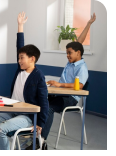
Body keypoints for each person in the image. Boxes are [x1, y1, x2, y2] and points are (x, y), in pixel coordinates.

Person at [0, 12, 48, 150]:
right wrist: (20, 26)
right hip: (12, 111)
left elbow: (44, 101)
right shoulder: (20, 70)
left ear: (32, 59)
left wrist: (40, 123)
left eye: (22, 58)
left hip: (27, 116)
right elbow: (20, 46)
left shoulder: (38, 76)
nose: (19, 61)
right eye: (18, 58)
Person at [41, 14, 96, 146]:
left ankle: (41, 140)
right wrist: (88, 24)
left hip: (70, 98)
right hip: (59, 93)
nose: (67, 55)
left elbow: (80, 86)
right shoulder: (70, 62)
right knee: (40, 102)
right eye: (66, 53)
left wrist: (59, 84)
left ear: (78, 53)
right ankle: (33, 132)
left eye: (69, 53)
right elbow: (79, 41)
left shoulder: (82, 67)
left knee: (48, 108)